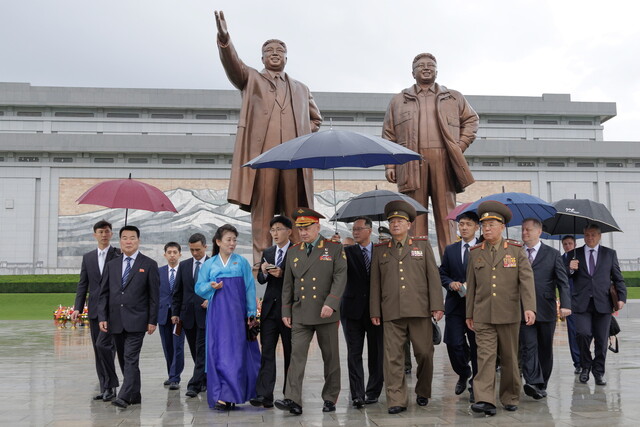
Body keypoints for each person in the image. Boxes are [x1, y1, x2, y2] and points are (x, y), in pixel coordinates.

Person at [214, 10, 323, 266]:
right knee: (262, 215)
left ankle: (297, 262)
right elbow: (233, 65)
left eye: (280, 51)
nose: (275, 53)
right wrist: (224, 40)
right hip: (264, 159)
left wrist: (303, 134)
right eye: (269, 50)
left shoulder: (300, 88)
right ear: (262, 57)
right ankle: (262, 265)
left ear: (286, 57)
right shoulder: (251, 78)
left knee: (295, 214)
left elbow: (315, 119)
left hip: (293, 162)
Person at [383, 53, 479, 256]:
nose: (426, 68)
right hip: (410, 161)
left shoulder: (453, 97)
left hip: (443, 159)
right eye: (420, 65)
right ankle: (417, 261)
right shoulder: (399, 100)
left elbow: (471, 120)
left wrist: (459, 146)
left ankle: (451, 263)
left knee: (446, 213)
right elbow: (388, 134)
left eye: (430, 65)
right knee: (414, 213)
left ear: (437, 71)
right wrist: (390, 165)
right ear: (412, 72)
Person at [370, 200, 444, 415]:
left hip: (420, 311)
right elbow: (375, 283)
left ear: (409, 224)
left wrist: (437, 305)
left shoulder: (421, 246)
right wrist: (375, 310)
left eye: (400, 221)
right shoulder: (381, 249)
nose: (395, 224)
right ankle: (396, 399)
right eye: (392, 221)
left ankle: (423, 390)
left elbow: (433, 276)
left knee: (424, 354)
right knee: (392, 357)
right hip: (391, 312)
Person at [465, 201, 536, 416]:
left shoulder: (514, 250)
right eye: (484, 225)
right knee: (484, 358)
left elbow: (526, 280)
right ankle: (485, 400)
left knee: (509, 358)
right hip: (483, 314)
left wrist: (529, 307)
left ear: (502, 226)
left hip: (509, 313)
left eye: (491, 225)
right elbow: (472, 286)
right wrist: (469, 313)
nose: (486, 229)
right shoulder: (476, 252)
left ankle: (510, 396)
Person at [275, 208, 347, 415]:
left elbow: (340, 277)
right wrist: (286, 310)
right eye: (300, 229)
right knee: (296, 356)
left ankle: (330, 397)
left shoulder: (333, 248)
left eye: (307, 228)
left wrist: (331, 303)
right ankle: (292, 399)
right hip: (301, 312)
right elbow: (288, 283)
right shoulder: (294, 251)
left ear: (318, 226)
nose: (303, 232)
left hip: (326, 312)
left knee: (330, 357)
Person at [195, 224, 261, 410]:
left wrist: (250, 313)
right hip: (218, 315)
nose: (232, 243)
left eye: (234, 240)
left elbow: (249, 288)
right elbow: (199, 287)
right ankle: (222, 395)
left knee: (237, 354)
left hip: (238, 315)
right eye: (228, 240)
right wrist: (210, 286)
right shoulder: (210, 264)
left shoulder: (241, 262)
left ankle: (235, 393)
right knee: (220, 352)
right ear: (218, 242)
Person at [97, 225, 159, 408]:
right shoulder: (112, 265)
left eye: (132, 238)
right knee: (124, 359)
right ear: (120, 241)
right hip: (115, 320)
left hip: (138, 321)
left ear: (138, 240)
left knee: (131, 358)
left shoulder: (149, 264)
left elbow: (154, 296)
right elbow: (104, 294)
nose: (128, 241)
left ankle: (124, 396)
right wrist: (102, 317)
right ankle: (135, 393)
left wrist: (152, 321)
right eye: (125, 238)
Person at [568, 224, 626, 385]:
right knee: (582, 334)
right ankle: (585, 366)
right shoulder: (574, 254)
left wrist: (622, 298)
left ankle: (598, 372)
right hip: (581, 304)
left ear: (599, 236)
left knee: (601, 340)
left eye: (593, 235)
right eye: (587, 235)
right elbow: (564, 276)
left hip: (603, 303)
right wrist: (570, 269)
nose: (590, 238)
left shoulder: (609, 254)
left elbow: (618, 277)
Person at [520, 218, 570, 399]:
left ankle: (542, 384)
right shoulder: (516, 252)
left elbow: (563, 282)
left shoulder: (552, 254)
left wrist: (565, 305)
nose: (525, 233)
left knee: (544, 348)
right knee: (528, 346)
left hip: (545, 308)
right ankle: (532, 381)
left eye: (528, 230)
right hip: (522, 309)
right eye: (523, 230)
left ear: (539, 232)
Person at [71, 220, 120, 402]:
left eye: (107, 231)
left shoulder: (118, 255)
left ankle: (111, 386)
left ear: (111, 234)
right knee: (98, 350)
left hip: (112, 310)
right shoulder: (88, 257)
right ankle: (105, 386)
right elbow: (83, 284)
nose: (104, 235)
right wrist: (78, 307)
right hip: (94, 311)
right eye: (100, 232)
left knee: (107, 347)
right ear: (95, 235)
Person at [251, 216, 294, 409]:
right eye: (272, 230)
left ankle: (290, 394)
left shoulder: (296, 251)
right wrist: (265, 271)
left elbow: (301, 278)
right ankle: (264, 394)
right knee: (267, 352)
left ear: (289, 231)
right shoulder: (268, 251)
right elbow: (260, 278)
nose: (275, 233)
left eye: (279, 229)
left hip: (289, 310)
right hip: (268, 310)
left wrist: (283, 274)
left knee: (290, 353)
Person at [341, 217, 384, 408]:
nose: (355, 232)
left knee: (377, 353)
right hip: (352, 311)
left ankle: (373, 391)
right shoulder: (346, 252)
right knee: (354, 353)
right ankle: (357, 394)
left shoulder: (382, 251)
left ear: (370, 230)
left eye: (359, 229)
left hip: (377, 310)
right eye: (353, 229)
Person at [439, 211, 479, 403]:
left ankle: (475, 386)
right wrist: (450, 283)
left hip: (478, 307)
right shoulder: (451, 250)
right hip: (456, 305)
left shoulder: (483, 248)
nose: (463, 227)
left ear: (476, 227)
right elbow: (442, 273)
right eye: (461, 224)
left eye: (468, 224)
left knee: (478, 347)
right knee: (453, 344)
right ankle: (464, 372)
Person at [171, 233, 209, 398]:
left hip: (206, 314)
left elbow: (219, 288)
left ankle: (194, 384)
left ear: (205, 247)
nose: (195, 253)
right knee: (195, 350)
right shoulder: (184, 265)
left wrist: (211, 299)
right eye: (192, 250)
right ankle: (204, 379)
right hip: (187, 316)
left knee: (201, 349)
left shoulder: (213, 263)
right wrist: (175, 313)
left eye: (198, 250)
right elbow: (177, 291)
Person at [157, 242, 185, 390]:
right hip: (163, 314)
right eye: (169, 252)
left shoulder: (184, 270)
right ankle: (171, 374)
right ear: (165, 254)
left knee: (178, 346)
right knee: (167, 346)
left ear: (180, 254)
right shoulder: (159, 272)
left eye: (175, 252)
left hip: (179, 316)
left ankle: (175, 377)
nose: (172, 255)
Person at [561, 235, 581, 374]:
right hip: (570, 301)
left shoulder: (582, 257)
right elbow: (561, 277)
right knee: (573, 332)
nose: (568, 246)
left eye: (570, 243)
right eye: (565, 244)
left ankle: (587, 359)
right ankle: (578, 362)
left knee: (586, 332)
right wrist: (571, 269)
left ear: (574, 244)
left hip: (585, 300)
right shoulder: (561, 259)